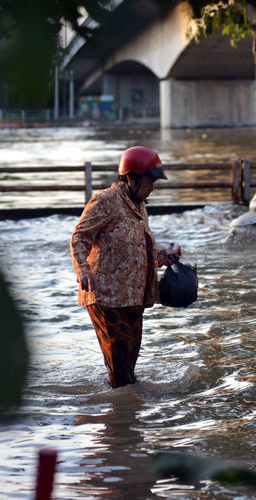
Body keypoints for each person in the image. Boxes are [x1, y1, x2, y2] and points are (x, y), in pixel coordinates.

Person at [70, 146, 179, 388]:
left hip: (133, 298)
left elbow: (138, 251)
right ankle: (118, 419)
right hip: (106, 297)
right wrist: (83, 271)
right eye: (149, 181)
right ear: (130, 178)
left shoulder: (140, 205)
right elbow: (79, 238)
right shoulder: (105, 201)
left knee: (129, 363)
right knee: (120, 368)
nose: (152, 187)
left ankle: (126, 414)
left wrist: (161, 257)